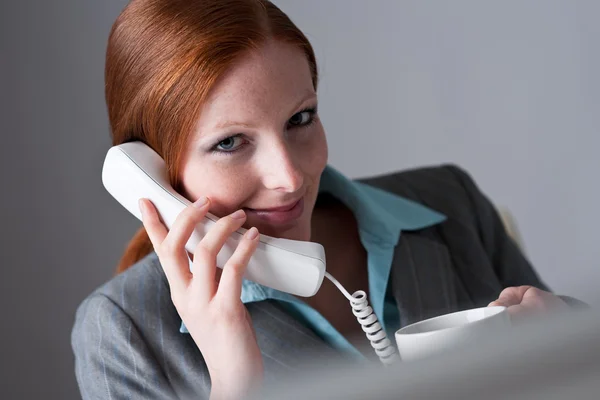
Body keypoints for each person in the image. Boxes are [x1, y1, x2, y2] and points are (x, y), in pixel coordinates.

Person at [70, 1, 584, 399]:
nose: (289, 177)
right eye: (229, 143)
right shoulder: (123, 331)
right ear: (152, 172)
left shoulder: (451, 202)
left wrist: (569, 345)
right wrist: (234, 386)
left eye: (300, 119)